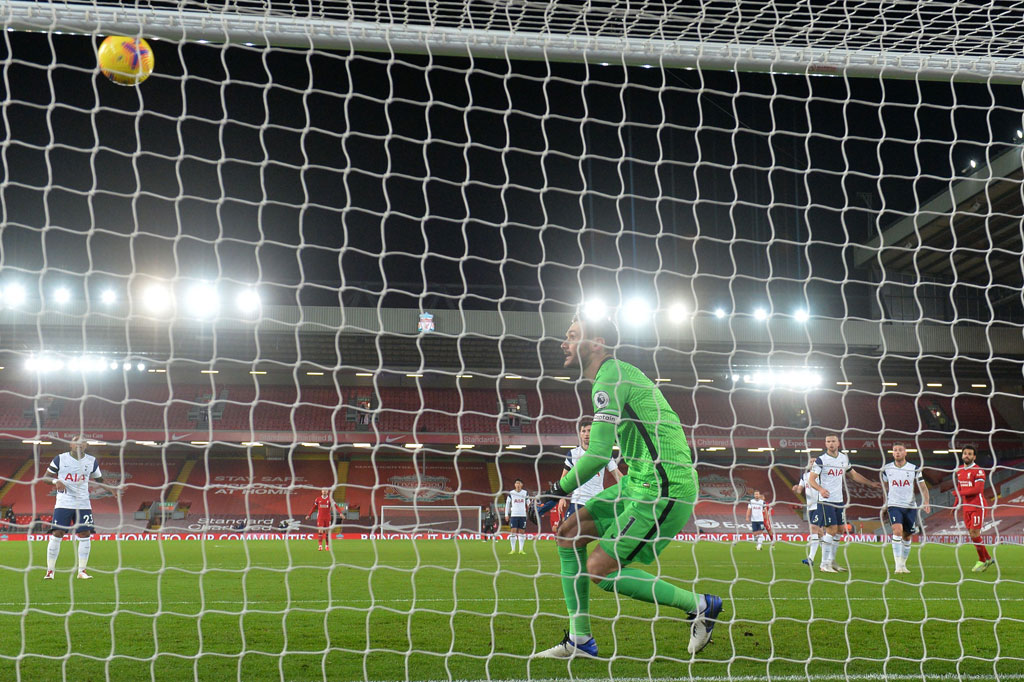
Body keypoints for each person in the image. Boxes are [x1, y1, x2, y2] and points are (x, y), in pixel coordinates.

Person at [532, 314, 722, 659]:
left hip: (665, 487)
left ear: (597, 343)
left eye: (572, 335)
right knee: (568, 534)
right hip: (639, 480)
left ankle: (701, 606)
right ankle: (580, 640)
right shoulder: (614, 376)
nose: (564, 342)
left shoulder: (610, 379)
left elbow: (597, 455)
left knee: (599, 571)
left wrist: (554, 490)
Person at [43, 435, 120, 580]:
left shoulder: (91, 461)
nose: (79, 444)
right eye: (76, 442)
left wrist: (111, 489)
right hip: (64, 502)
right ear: (70, 445)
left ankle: (82, 571)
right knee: (57, 533)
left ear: (86, 446)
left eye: (82, 442)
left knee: (85, 534)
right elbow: (45, 477)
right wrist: (55, 480)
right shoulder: (60, 459)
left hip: (83, 503)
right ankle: (50, 571)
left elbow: (99, 479)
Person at [806, 434, 881, 573]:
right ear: (825, 443)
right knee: (831, 530)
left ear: (838, 443)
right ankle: (824, 564)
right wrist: (821, 489)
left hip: (839, 500)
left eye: (833, 441)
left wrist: (870, 483)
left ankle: (832, 561)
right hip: (826, 501)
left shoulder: (843, 458)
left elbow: (852, 474)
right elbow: (811, 479)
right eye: (828, 441)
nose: (831, 444)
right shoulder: (821, 460)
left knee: (840, 530)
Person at [557, 419, 623, 527]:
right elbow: (563, 478)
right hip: (578, 501)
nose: (586, 434)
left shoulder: (604, 454)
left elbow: (618, 475)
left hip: (597, 501)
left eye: (589, 431)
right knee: (567, 532)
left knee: (607, 534)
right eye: (584, 431)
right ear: (580, 434)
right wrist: (562, 497)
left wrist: (629, 488)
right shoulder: (573, 453)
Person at [881, 443, 930, 574]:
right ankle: (897, 566)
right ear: (892, 453)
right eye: (895, 450)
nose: (897, 452)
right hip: (894, 505)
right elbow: (885, 488)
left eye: (900, 450)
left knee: (907, 536)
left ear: (905, 452)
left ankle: (903, 564)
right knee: (897, 531)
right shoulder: (886, 469)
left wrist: (926, 501)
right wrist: (884, 504)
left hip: (910, 506)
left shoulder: (914, 468)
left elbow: (923, 487)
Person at [954, 445, 994, 572]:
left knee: (974, 533)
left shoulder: (979, 471)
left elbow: (978, 490)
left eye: (970, 454)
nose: (967, 455)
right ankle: (987, 558)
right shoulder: (959, 470)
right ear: (962, 455)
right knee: (972, 535)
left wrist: (959, 494)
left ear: (974, 457)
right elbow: (960, 487)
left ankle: (982, 560)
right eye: (965, 453)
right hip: (966, 507)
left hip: (977, 506)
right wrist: (956, 503)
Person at [792, 454, 824, 567]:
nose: (812, 463)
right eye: (811, 461)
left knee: (814, 529)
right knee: (819, 532)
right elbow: (800, 491)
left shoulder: (821, 475)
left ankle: (810, 558)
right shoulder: (804, 476)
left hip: (820, 504)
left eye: (814, 461)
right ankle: (827, 554)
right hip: (810, 506)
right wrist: (796, 488)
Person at [504, 479, 529, 554]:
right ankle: (513, 549)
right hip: (514, 515)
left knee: (522, 532)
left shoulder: (525, 493)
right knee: (513, 531)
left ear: (522, 485)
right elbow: (507, 504)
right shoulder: (511, 493)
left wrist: (531, 510)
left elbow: (528, 503)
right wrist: (506, 514)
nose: (518, 485)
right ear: (515, 485)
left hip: (522, 515)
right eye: (516, 483)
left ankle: (521, 549)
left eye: (519, 483)